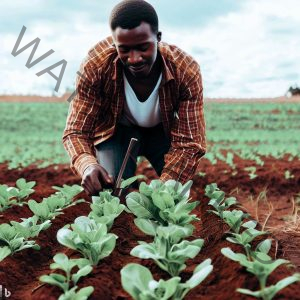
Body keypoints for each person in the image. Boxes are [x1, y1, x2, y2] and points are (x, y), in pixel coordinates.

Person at [62, 0, 206, 196]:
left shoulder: (185, 69)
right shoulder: (95, 65)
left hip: (162, 133)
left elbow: (190, 142)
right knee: (111, 192)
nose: (134, 58)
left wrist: (164, 189)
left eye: (143, 47)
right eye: (124, 49)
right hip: (118, 133)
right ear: (115, 44)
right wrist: (87, 165)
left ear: (158, 38)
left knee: (175, 195)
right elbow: (75, 131)